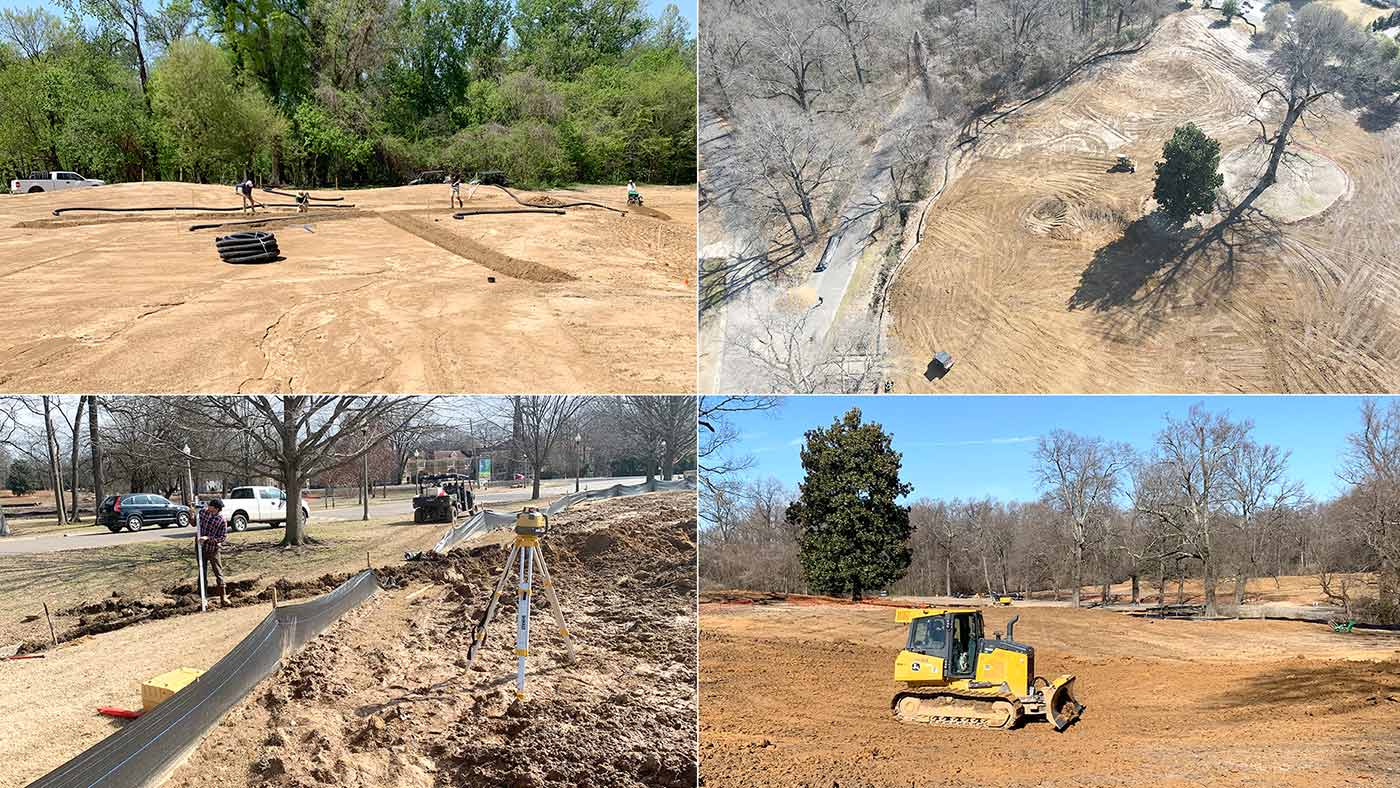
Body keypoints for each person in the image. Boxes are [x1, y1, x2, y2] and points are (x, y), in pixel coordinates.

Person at [197, 498, 230, 606]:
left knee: (218, 573)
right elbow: (194, 523)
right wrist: (191, 514)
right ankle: (203, 598)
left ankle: (223, 597)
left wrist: (207, 538)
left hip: (213, 550)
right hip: (200, 549)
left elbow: (222, 538)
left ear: (215, 508)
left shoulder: (221, 520)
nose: (208, 506)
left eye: (210, 505)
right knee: (202, 573)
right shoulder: (203, 513)